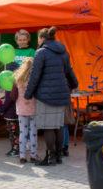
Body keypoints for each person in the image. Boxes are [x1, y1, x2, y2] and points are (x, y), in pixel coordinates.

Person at [24, 26, 78, 166]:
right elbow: (69, 71)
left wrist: (27, 94)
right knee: (58, 126)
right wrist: (75, 84)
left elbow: (34, 76)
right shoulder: (63, 52)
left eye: (38, 38)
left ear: (42, 38)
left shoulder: (41, 53)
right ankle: (58, 155)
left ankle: (50, 157)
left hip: (45, 95)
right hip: (61, 94)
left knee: (48, 127)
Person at [12, 58, 37, 163]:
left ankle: (22, 156)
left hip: (21, 108)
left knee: (23, 132)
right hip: (34, 108)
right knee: (33, 132)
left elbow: (13, 95)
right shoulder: (35, 78)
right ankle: (33, 155)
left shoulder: (18, 77)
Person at [0, 62, 20, 157]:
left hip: (11, 114)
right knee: (18, 132)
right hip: (19, 112)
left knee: (12, 133)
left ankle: (15, 149)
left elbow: (8, 101)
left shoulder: (9, 84)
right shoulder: (19, 82)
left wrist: (1, 109)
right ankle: (19, 149)